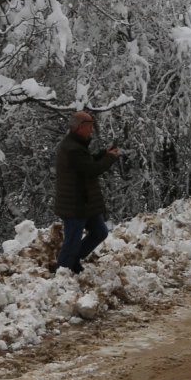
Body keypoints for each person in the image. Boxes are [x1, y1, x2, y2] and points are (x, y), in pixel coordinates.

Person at [53, 110, 119, 274]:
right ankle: (62, 273)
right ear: (81, 127)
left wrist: (104, 154)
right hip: (76, 204)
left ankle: (73, 259)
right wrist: (109, 158)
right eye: (90, 127)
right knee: (72, 242)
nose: (92, 130)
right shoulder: (72, 148)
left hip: (85, 203)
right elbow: (91, 169)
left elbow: (85, 163)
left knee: (100, 232)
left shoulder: (76, 145)